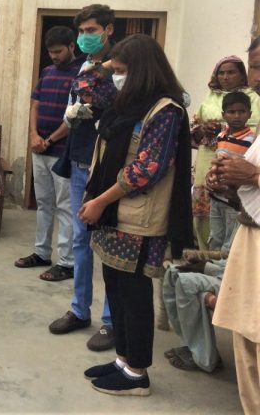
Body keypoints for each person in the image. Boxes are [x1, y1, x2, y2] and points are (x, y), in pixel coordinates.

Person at [80, 34, 192, 396]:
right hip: (116, 212)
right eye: (116, 69)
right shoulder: (127, 105)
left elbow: (147, 168)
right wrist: (104, 66)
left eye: (123, 70)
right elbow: (85, 88)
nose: (117, 77)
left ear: (141, 71)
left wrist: (100, 201)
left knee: (134, 291)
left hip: (138, 216)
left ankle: (137, 373)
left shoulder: (165, 111)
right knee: (115, 286)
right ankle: (123, 359)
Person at [48, 4, 116, 351]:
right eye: (83, 31)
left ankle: (111, 322)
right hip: (78, 159)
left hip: (107, 166)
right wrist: (73, 114)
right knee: (80, 239)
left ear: (108, 30)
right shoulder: (84, 67)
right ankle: (79, 310)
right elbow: (74, 107)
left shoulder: (122, 67)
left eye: (92, 30)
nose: (86, 36)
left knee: (107, 242)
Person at [210, 37, 260, 413]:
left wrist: (254, 175)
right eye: (255, 66)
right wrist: (227, 177)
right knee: (245, 335)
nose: (257, 76)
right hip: (251, 228)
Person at [15, 26, 81, 281]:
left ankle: (67, 263)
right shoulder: (47, 72)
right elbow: (35, 104)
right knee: (43, 204)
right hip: (39, 148)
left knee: (65, 207)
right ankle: (41, 253)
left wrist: (50, 139)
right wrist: (33, 135)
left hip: (62, 151)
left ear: (72, 47)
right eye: (50, 52)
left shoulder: (81, 75)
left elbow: (74, 116)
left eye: (58, 51)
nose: (54, 56)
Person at [190, 56, 260, 249]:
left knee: (231, 209)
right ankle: (205, 252)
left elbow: (255, 130)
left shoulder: (253, 97)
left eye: (231, 72)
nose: (226, 77)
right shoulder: (211, 96)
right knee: (206, 200)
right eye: (221, 73)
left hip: (240, 157)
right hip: (209, 155)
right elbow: (194, 125)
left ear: (241, 74)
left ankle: (225, 260)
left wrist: (224, 126)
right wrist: (203, 128)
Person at [162, 244, 230, 373]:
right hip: (226, 274)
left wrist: (207, 267)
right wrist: (207, 262)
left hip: (240, 285)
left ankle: (205, 358)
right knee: (173, 273)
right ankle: (189, 344)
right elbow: (230, 258)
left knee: (186, 282)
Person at [208, 91, 255, 250]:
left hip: (233, 200)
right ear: (223, 114)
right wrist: (211, 176)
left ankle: (222, 273)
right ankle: (208, 268)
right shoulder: (221, 136)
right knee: (215, 237)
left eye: (241, 112)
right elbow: (218, 160)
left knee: (229, 243)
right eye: (231, 112)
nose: (237, 116)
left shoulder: (251, 140)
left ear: (250, 114)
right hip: (216, 197)